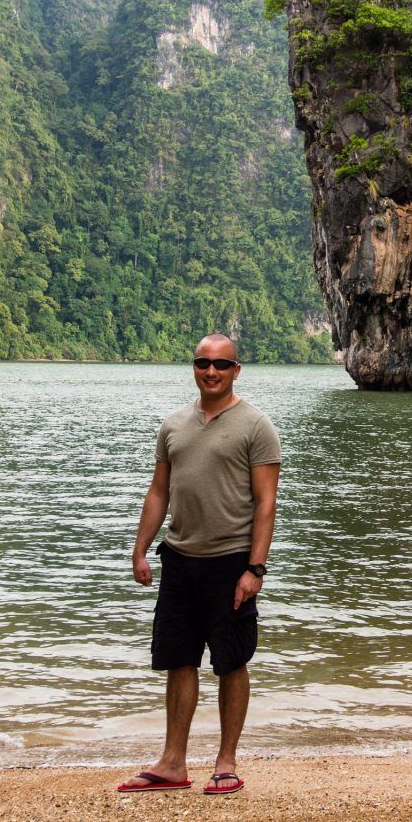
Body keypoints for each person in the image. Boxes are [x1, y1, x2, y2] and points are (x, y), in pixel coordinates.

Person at [117, 332, 281, 795]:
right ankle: (173, 762)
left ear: (236, 370)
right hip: (180, 559)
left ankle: (226, 761)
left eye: (221, 365)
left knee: (231, 662)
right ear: (194, 367)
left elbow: (266, 504)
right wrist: (141, 549)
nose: (211, 372)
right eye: (203, 363)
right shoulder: (173, 425)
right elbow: (158, 492)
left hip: (231, 562)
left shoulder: (256, 426)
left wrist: (256, 569)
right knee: (178, 660)